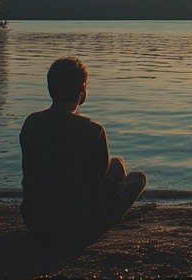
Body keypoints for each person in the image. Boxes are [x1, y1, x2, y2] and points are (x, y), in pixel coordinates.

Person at [20, 57, 147, 244]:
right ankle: (111, 217)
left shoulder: (32, 123)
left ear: (50, 88)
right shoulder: (93, 131)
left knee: (117, 164)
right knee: (137, 179)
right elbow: (99, 184)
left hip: (36, 222)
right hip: (84, 226)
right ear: (83, 89)